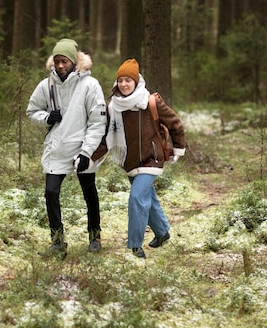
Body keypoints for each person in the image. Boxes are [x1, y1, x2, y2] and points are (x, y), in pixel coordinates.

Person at [92, 59, 186, 259]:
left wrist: (178, 148)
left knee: (136, 198)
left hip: (151, 159)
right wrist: (90, 158)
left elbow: (175, 123)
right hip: (129, 160)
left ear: (136, 82)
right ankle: (162, 232)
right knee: (148, 198)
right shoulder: (113, 107)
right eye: (120, 80)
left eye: (128, 80)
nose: (124, 84)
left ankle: (135, 246)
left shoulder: (150, 101)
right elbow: (105, 137)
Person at [26, 38, 107, 257]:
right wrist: (46, 117)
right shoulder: (47, 85)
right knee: (51, 192)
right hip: (57, 149)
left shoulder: (90, 85)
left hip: (83, 149)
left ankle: (95, 235)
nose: (60, 66)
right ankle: (57, 241)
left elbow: (97, 123)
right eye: (57, 61)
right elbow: (31, 111)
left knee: (89, 192)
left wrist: (86, 152)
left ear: (74, 61)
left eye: (65, 61)